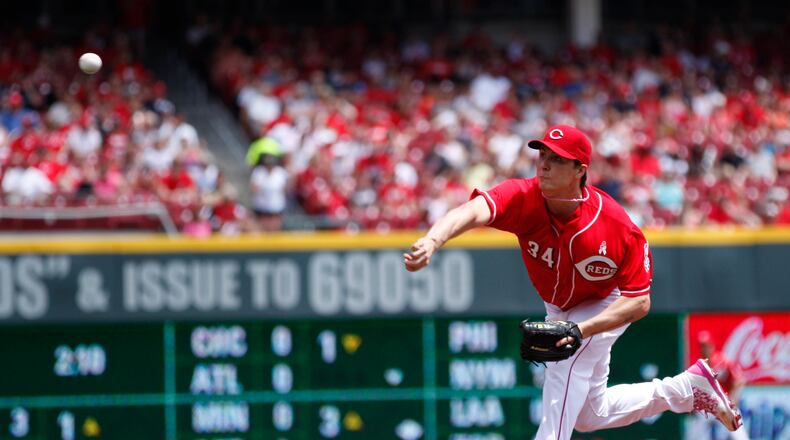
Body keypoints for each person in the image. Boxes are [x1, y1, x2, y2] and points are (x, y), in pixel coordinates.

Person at [404, 124, 742, 439]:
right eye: (543, 156)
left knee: (564, 361)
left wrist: (580, 331)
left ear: (580, 169)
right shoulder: (524, 196)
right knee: (590, 414)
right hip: (559, 305)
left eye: (557, 159)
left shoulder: (614, 225)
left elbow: (639, 301)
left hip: (605, 302)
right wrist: (434, 240)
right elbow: (473, 210)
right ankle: (686, 388)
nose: (544, 165)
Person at [687, 331, 750, 440]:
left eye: (706, 346)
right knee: (694, 434)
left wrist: (733, 399)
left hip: (725, 404)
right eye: (702, 346)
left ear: (712, 345)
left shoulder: (723, 361)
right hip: (708, 407)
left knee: (739, 435)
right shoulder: (699, 366)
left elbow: (739, 380)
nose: (704, 349)